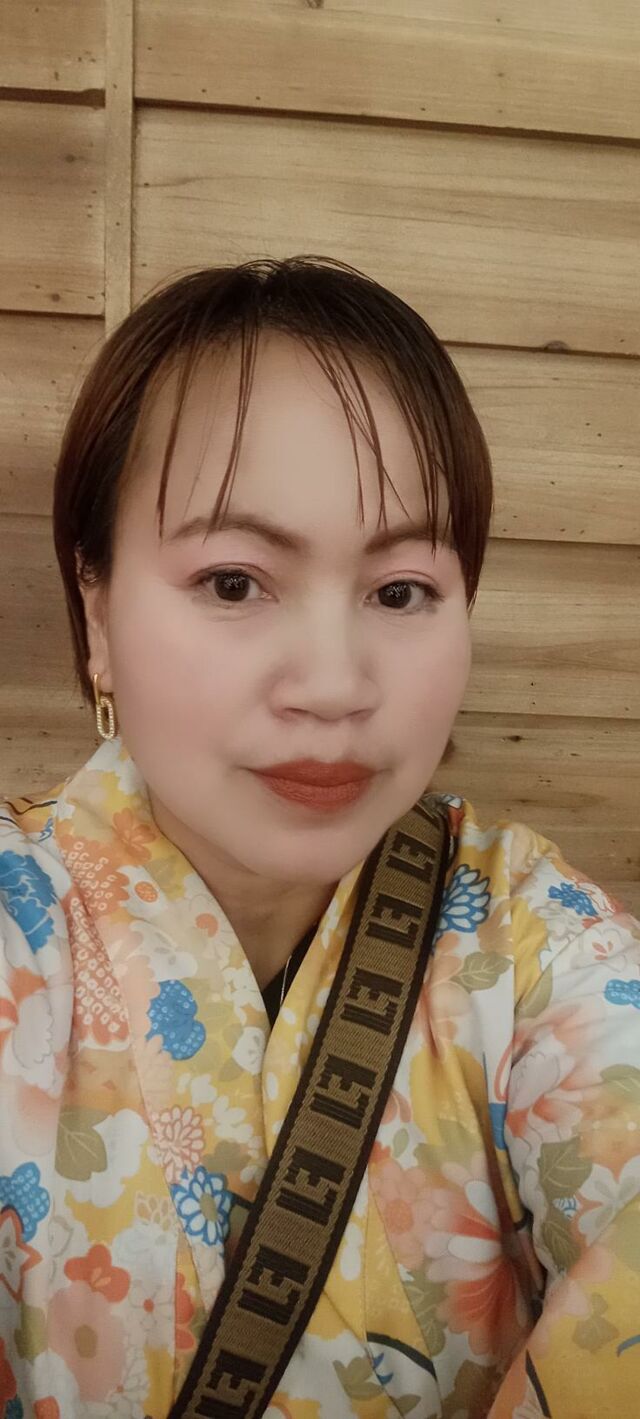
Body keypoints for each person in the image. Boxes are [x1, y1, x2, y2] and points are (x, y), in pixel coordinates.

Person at [0, 255, 638, 1419]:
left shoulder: (531, 937)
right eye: (233, 582)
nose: (335, 685)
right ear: (96, 610)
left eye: (399, 592)